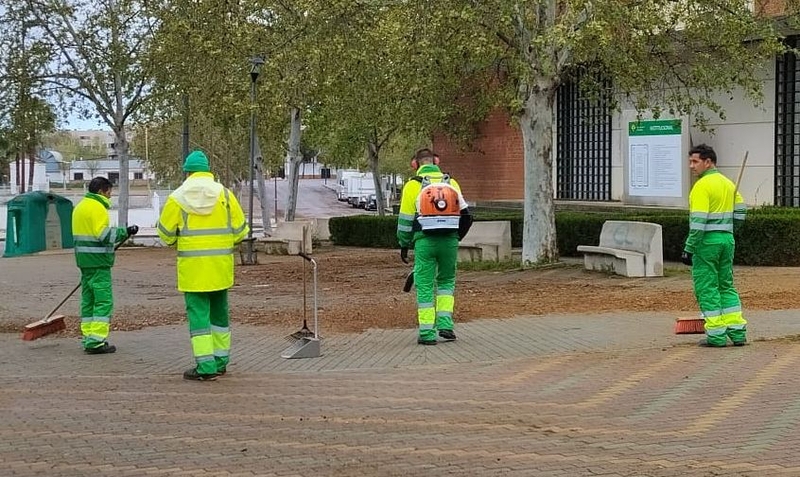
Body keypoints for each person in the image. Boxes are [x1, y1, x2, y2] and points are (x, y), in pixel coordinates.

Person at [157, 150, 248, 380]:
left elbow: (166, 235)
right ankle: (220, 361)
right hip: (220, 267)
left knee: (199, 319)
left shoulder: (177, 197)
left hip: (193, 270)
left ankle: (205, 367)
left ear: (187, 172)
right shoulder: (225, 195)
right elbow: (240, 231)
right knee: (220, 316)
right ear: (208, 170)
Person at [396, 148, 473, 345]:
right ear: (436, 161)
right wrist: (456, 238)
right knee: (446, 282)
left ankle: (427, 333)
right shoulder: (452, 183)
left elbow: (405, 222)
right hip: (449, 241)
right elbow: (467, 217)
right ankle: (446, 324)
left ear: (415, 165)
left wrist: (404, 245)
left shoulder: (412, 186)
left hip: (424, 242)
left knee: (425, 286)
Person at [682, 144, 747, 347]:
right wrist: (728, 228)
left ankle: (717, 335)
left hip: (706, 243)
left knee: (707, 287)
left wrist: (689, 248)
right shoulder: (728, 184)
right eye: (690, 161)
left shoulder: (701, 186)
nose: (691, 166)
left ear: (708, 162)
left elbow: (698, 222)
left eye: (695, 161)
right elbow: (741, 212)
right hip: (727, 240)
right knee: (726, 285)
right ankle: (737, 333)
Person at [72, 176, 138, 354]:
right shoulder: (98, 208)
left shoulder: (80, 207)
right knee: (103, 301)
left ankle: (88, 336)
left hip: (84, 262)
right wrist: (125, 231)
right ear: (102, 191)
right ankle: (96, 341)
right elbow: (104, 236)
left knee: (88, 301)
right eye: (109, 192)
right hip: (99, 262)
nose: (110, 196)